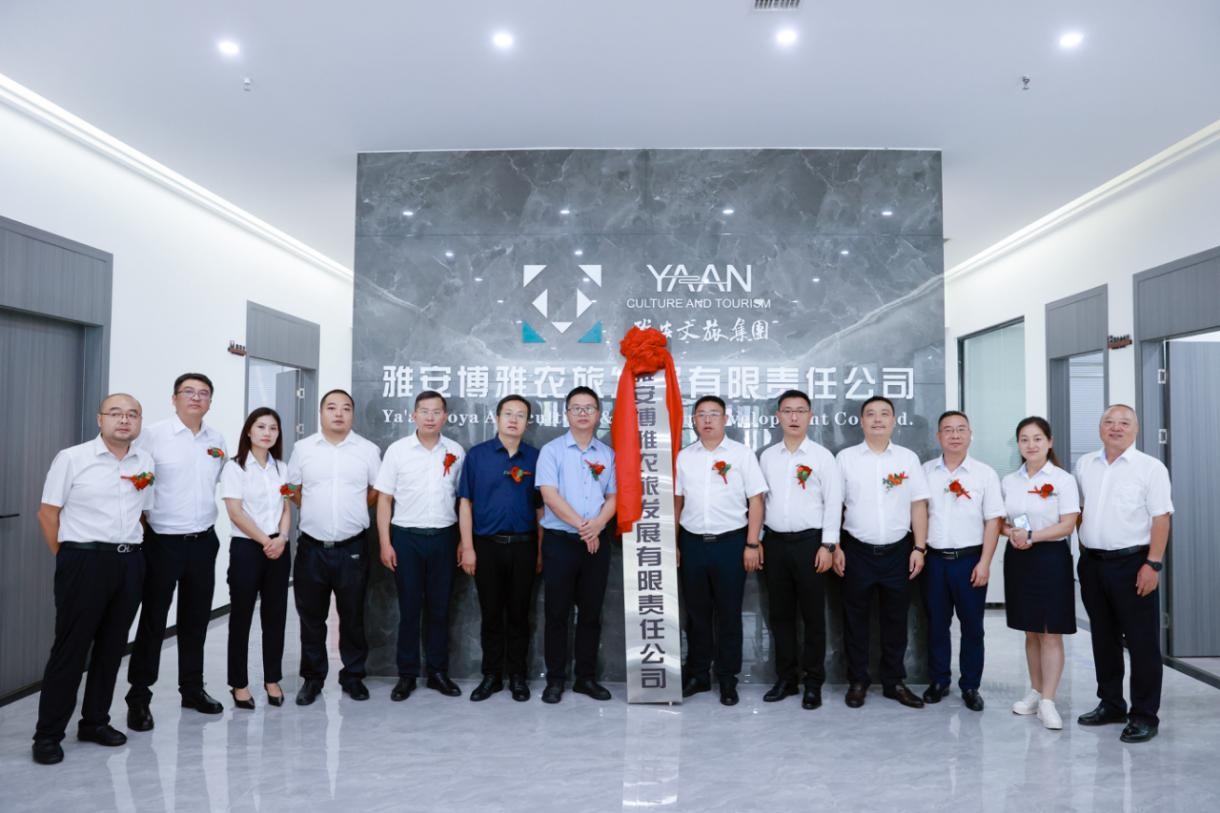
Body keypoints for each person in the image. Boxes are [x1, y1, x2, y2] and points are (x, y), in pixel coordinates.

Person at [31, 394, 154, 765]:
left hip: (129, 562)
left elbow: (143, 512)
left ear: (139, 422)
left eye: (132, 414)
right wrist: (68, 557)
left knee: (112, 647)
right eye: (115, 413)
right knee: (71, 648)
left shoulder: (144, 461)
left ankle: (95, 722)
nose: (124, 420)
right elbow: (47, 514)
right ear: (100, 419)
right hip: (83, 560)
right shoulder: (73, 458)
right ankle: (48, 734)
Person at [127, 373, 227, 731]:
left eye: (203, 393)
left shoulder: (216, 440)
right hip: (162, 542)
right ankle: (139, 696)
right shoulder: (153, 436)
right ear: (174, 399)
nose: (196, 398)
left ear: (210, 401)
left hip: (203, 541)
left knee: (195, 620)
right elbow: (135, 484)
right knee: (154, 620)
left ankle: (192, 689)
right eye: (188, 392)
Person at [1074, 405, 1172, 743]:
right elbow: (1080, 510)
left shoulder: (1150, 468)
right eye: (1109, 422)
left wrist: (1153, 564)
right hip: (1092, 564)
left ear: (1136, 429)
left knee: (1142, 643)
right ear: (1100, 427)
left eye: (1124, 423)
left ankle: (1144, 715)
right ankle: (1111, 703)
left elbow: (1161, 518)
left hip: (1134, 564)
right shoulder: (1085, 464)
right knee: (1103, 638)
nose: (1115, 428)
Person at [834, 395, 930, 709]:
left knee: (895, 621)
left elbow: (918, 505)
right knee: (855, 621)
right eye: (871, 414)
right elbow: (834, 505)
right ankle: (858, 681)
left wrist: (919, 547)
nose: (878, 419)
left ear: (894, 421)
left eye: (884, 414)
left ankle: (894, 682)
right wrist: (835, 546)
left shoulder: (908, 459)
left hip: (898, 552)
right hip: (856, 551)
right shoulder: (846, 458)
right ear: (861, 421)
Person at [287, 389, 382, 705]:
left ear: (353, 414)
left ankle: (353, 676)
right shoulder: (303, 449)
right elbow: (292, 488)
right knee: (311, 618)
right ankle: (313, 678)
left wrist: (354, 509)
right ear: (321, 413)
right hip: (311, 547)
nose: (338, 413)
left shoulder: (367, 450)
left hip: (352, 547)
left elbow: (377, 490)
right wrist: (311, 508)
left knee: (352, 616)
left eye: (345, 408)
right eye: (331, 408)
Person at [675, 395, 767, 706]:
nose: (708, 419)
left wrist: (752, 542)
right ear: (694, 421)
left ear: (726, 419)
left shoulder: (742, 454)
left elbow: (756, 500)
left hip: (731, 543)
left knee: (729, 614)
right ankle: (699, 674)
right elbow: (677, 502)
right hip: (692, 543)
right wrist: (674, 543)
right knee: (696, 614)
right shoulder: (685, 456)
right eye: (701, 414)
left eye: (714, 414)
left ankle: (728, 678)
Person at [375, 391, 465, 702]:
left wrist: (462, 541)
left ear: (445, 417)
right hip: (406, 538)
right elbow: (384, 499)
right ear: (413, 415)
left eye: (436, 412)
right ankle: (407, 674)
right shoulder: (398, 451)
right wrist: (385, 542)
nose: (430, 417)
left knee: (440, 609)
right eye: (424, 411)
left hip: (444, 537)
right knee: (409, 608)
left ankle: (438, 672)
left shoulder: (455, 451)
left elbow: (463, 501)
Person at [757, 389, 841, 710]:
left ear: (810, 416)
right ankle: (786, 679)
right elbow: (760, 502)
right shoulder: (767, 456)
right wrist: (758, 539)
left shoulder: (822, 457)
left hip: (811, 544)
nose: (794, 417)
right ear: (778, 416)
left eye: (800, 411)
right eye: (788, 411)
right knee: (780, 615)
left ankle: (813, 682)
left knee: (813, 616)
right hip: (775, 544)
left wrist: (828, 545)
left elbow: (833, 502)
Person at [457, 394, 543, 703]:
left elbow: (541, 510)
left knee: (520, 615)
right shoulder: (478, 456)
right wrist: (468, 547)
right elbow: (465, 503)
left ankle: (518, 676)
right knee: (491, 614)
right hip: (487, 547)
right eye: (508, 413)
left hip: (524, 546)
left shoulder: (536, 458)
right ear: (497, 418)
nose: (513, 420)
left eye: (520, 415)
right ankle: (491, 676)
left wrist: (540, 550)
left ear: (527, 423)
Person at [536, 386, 617, 704]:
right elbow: (549, 495)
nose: (583, 413)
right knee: (557, 613)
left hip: (597, 543)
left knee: (591, 613)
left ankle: (585, 678)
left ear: (598, 414)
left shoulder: (607, 454)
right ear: (566, 414)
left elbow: (614, 496)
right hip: (560, 542)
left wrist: (597, 525)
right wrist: (585, 528)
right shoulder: (552, 451)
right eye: (576, 408)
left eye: (589, 408)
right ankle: (555, 679)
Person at [920, 410, 1003, 711]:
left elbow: (993, 521)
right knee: (936, 625)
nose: (954, 435)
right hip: (934, 561)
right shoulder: (925, 472)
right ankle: (939, 680)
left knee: (972, 627)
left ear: (970, 435)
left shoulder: (985, 474)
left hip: (969, 560)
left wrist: (985, 562)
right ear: (938, 436)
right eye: (948, 430)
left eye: (961, 429)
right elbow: (917, 514)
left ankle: (970, 685)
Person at [1000, 416, 1080, 730]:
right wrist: (1012, 533)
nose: (1031, 445)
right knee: (1030, 630)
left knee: (1050, 631)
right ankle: (1035, 692)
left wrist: (1032, 536)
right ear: (1018, 444)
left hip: (1050, 558)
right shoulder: (1010, 481)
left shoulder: (1062, 480)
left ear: (1049, 442)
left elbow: (1068, 524)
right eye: (1024, 439)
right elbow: (1001, 521)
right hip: (1019, 557)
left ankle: (1049, 700)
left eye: (1037, 438)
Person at [220, 407, 291, 710]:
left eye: (273, 428)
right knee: (241, 617)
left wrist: (282, 538)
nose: (267, 433)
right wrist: (266, 541)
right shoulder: (235, 467)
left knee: (275, 617)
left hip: (279, 547)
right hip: (247, 548)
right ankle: (239, 683)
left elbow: (286, 507)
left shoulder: (282, 468)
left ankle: (272, 679)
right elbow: (235, 513)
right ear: (249, 431)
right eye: (260, 427)